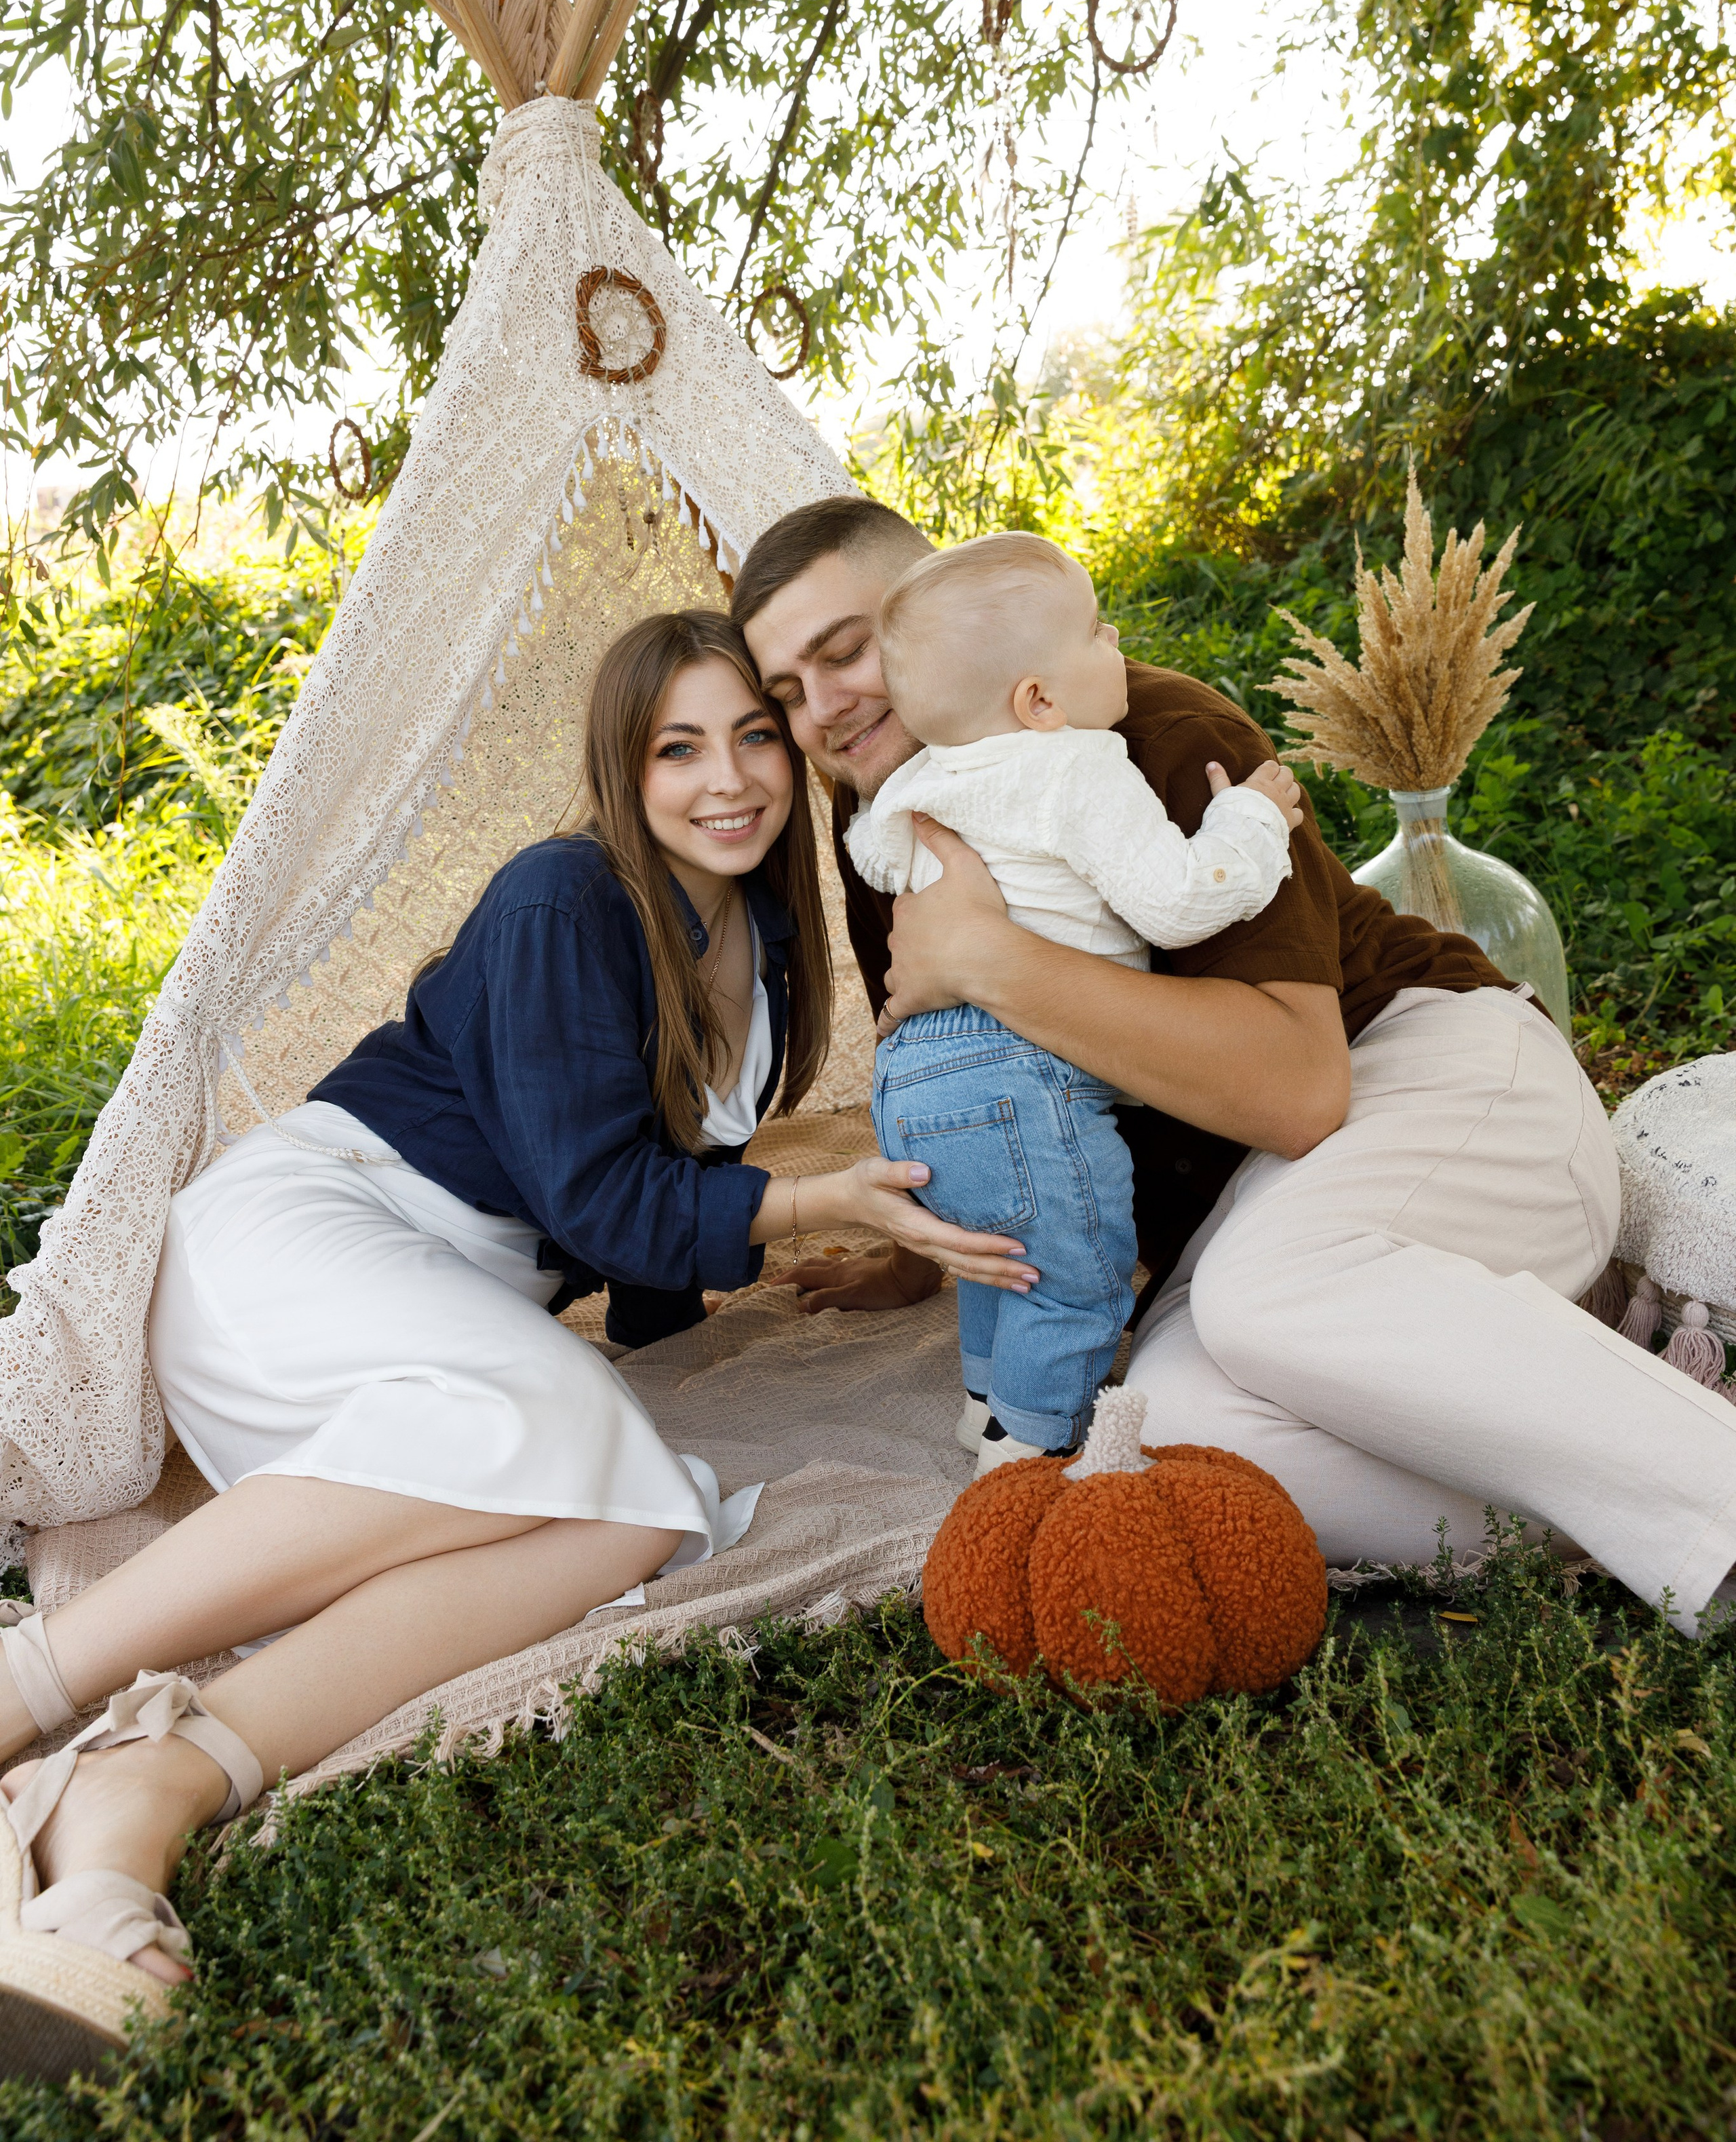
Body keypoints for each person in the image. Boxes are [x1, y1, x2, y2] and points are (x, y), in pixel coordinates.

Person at [0, 608, 1019, 2040]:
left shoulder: (769, 933)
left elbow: (664, 1174)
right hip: (307, 1241)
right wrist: (804, 1209)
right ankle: (25, 1688)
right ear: (623, 769)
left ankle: (145, 1789)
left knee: (636, 1515)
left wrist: (763, 1291)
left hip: (433, 1326)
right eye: (678, 749)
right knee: (565, 1424)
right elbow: (606, 1201)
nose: (724, 780)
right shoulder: (563, 895)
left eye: (751, 738)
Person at [738, 496, 1736, 1633]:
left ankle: (1711, 1492)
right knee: (1155, 1432)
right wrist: (926, 1259)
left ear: (934, 614)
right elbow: (977, 1078)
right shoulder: (889, 808)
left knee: (1270, 1299)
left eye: (845, 652)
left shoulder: (1144, 736)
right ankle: (1629, 1488)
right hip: (1265, 1210)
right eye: (783, 691)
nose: (820, 710)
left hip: (1434, 1078)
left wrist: (994, 958)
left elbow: (1298, 1093)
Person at [850, 530, 1301, 1471]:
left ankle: (984, 1405)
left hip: (910, 1084)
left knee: (995, 1256)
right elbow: (1178, 900)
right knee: (1075, 1284)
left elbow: (877, 857)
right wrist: (1252, 819)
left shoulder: (919, 780)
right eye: (1099, 632)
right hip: (1024, 1074)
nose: (1118, 643)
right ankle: (1024, 1467)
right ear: (1039, 700)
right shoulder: (1082, 766)